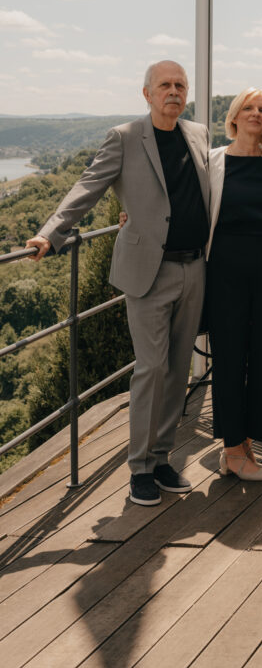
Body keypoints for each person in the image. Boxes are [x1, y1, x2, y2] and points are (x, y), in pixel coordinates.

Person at [26, 61, 210, 507]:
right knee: (150, 368)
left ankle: (162, 457)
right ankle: (140, 469)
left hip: (194, 270)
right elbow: (87, 187)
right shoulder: (125, 137)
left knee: (178, 367)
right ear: (146, 93)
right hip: (149, 272)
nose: (173, 91)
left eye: (179, 85)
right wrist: (51, 233)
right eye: (164, 85)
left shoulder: (200, 135)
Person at [206, 88, 262, 481]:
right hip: (225, 271)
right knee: (228, 358)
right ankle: (232, 448)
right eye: (248, 108)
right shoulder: (212, 162)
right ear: (234, 116)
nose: (256, 113)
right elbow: (179, 202)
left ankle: (245, 448)